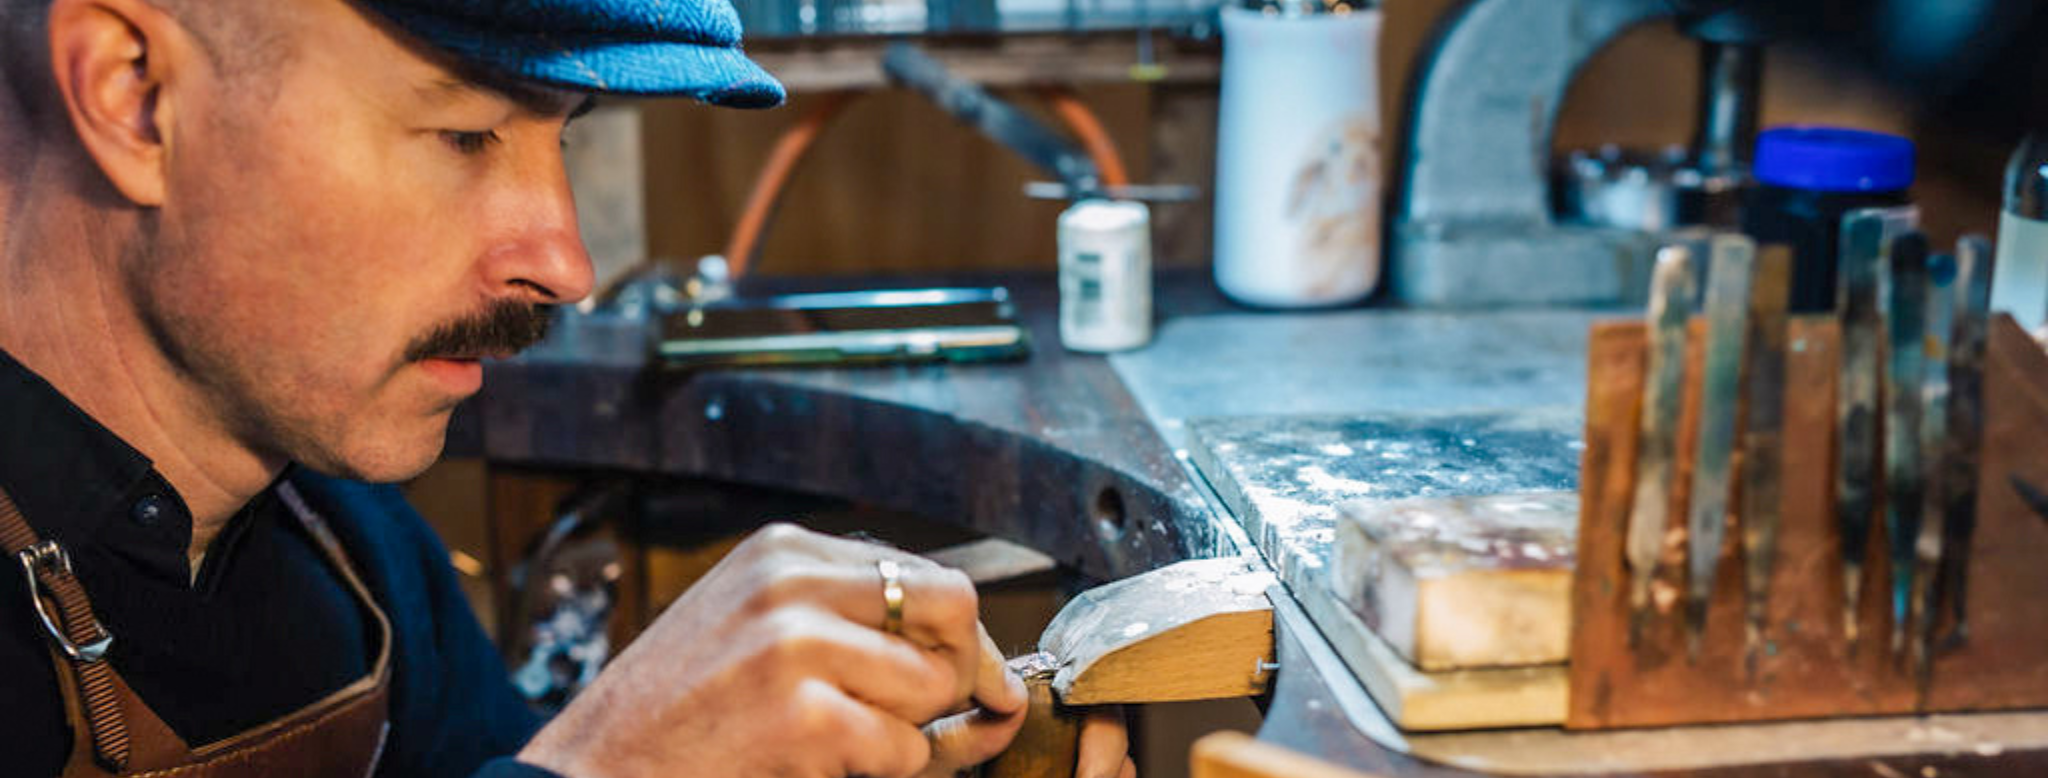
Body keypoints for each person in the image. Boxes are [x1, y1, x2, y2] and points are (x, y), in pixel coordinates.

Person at [0, 0, 1134, 776]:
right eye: (464, 133)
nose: (566, 264)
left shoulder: (349, 546)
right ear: (133, 91)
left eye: (562, 138)